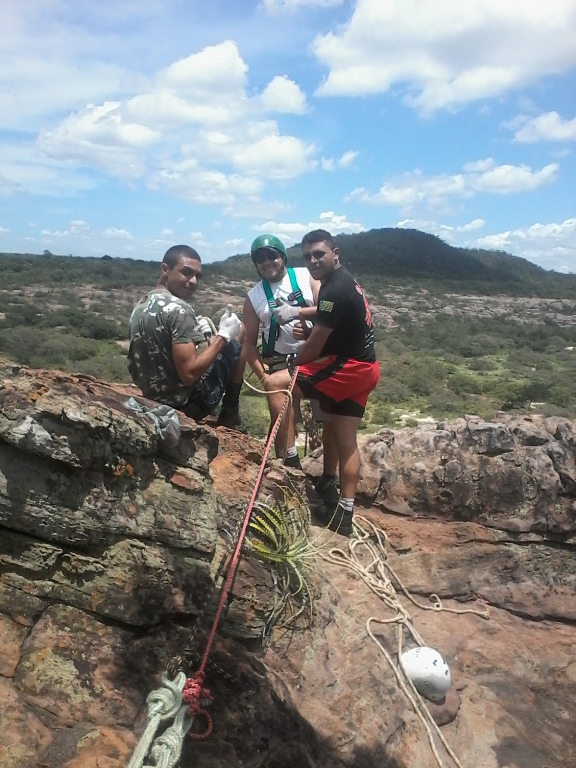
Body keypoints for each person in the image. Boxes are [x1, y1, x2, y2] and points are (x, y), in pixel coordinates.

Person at [264, 229, 379, 536]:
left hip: (347, 369)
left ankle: (289, 461)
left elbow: (314, 348)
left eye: (319, 254)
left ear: (335, 253)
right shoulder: (344, 282)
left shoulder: (333, 289)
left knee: (277, 383)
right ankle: (344, 512)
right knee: (345, 438)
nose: (313, 261)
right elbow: (328, 311)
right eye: (307, 256)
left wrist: (295, 362)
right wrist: (300, 313)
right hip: (365, 369)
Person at [127, 244, 246, 428]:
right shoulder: (179, 310)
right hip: (186, 405)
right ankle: (230, 412)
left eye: (197, 276)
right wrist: (223, 336)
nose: (193, 281)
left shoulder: (141, 305)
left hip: (151, 397)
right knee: (240, 332)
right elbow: (189, 374)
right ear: (165, 270)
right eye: (186, 273)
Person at [242, 234, 322, 468]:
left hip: (314, 356)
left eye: (272, 256)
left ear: (282, 257)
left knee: (325, 419)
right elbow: (248, 344)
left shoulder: (306, 276)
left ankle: (325, 475)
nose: (267, 262)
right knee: (283, 419)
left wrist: (304, 323)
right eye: (260, 259)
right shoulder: (254, 297)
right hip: (278, 362)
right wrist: (263, 376)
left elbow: (329, 311)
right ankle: (285, 464)